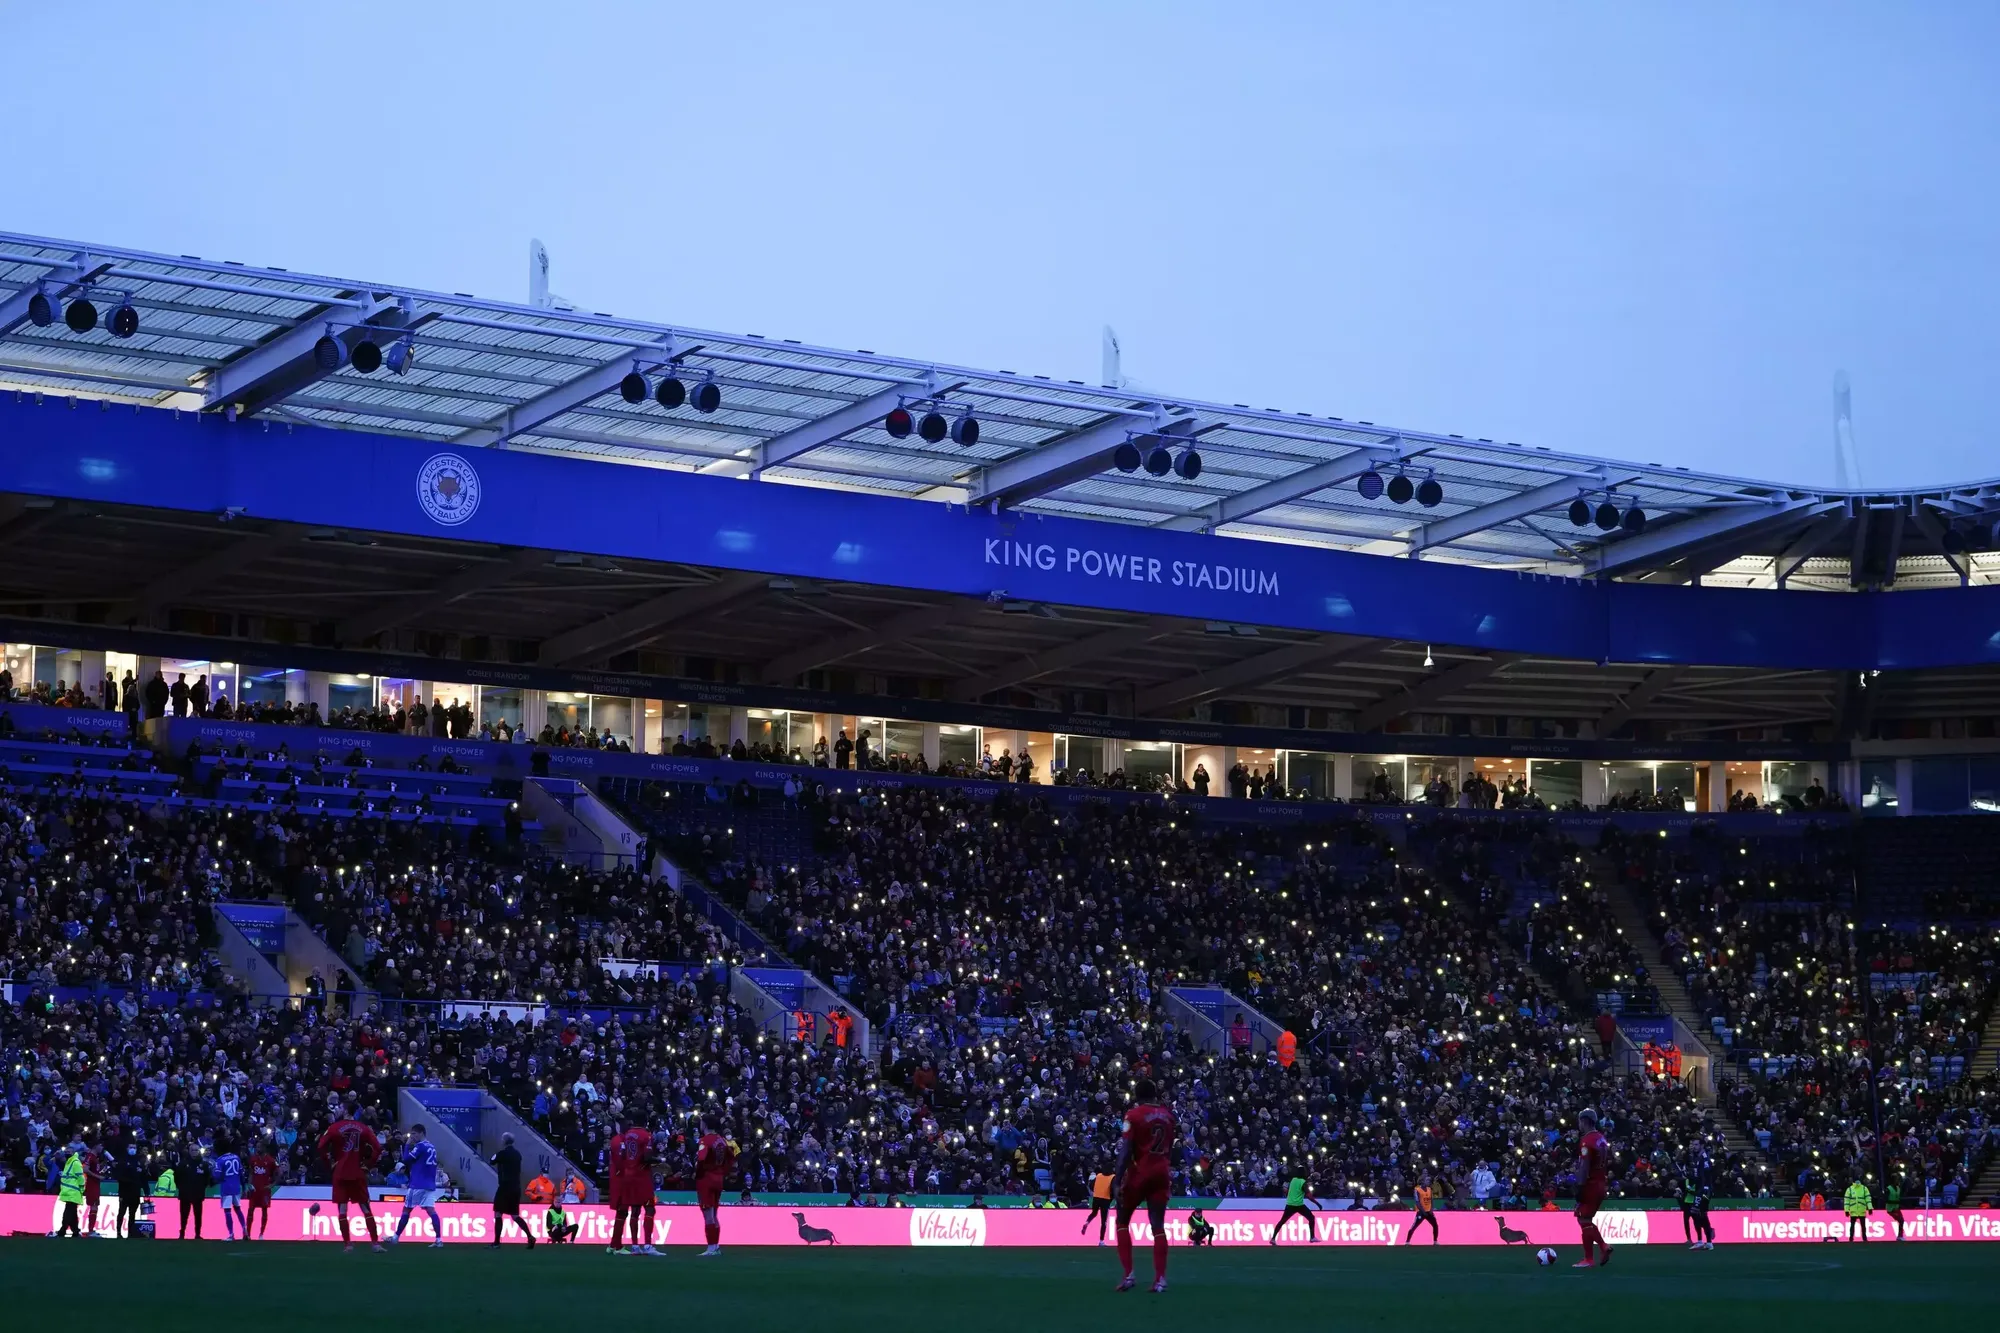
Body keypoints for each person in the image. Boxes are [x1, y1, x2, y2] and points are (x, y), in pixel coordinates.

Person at [1112, 1077, 1175, 1294]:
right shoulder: (1169, 1116)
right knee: (1157, 1225)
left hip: (1140, 1173)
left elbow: (1126, 1149)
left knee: (1122, 1220)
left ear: (1137, 1096)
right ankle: (1160, 1280)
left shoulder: (1134, 1115)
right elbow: (1170, 1148)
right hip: (1162, 1173)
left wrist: (1117, 1179)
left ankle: (1129, 1274)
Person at [316, 1103, 384, 1252]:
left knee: (342, 1209)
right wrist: (368, 1164)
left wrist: (330, 1164)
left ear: (345, 1110)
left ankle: (347, 1244)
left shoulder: (334, 1127)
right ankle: (375, 1244)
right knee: (365, 1207)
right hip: (357, 1171)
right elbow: (378, 1148)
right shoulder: (364, 1128)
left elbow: (321, 1146)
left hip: (340, 1172)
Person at [606, 1118, 658, 1255]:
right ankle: (618, 1246)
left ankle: (615, 1245)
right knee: (630, 1211)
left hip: (623, 1178)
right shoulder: (621, 1141)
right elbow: (621, 1162)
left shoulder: (621, 1140)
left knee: (627, 1211)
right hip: (625, 1179)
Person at [390, 1125, 445, 1248]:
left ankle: (395, 1237)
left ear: (421, 1133)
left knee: (406, 1210)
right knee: (431, 1211)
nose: (413, 1137)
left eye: (414, 1134)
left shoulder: (420, 1146)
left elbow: (406, 1159)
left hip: (417, 1184)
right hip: (429, 1184)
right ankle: (438, 1240)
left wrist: (407, 1145)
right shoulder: (432, 1146)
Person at [1571, 1107, 1612, 1269]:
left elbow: (1585, 1165)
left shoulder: (1586, 1140)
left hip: (1590, 1184)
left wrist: (1580, 1186)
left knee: (1584, 1219)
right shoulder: (1601, 1138)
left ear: (1584, 1121)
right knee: (1585, 1219)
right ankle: (1602, 1247)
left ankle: (1590, 1257)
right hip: (1601, 1183)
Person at [694, 1115, 737, 1257]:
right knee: (714, 1213)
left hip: (706, 1179)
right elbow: (732, 1157)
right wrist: (723, 1172)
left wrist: (697, 1173)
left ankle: (711, 1247)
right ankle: (716, 1246)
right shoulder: (722, 1140)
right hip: (718, 1179)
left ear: (705, 1124)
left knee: (708, 1215)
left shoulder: (704, 1140)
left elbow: (701, 1159)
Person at [489, 1133, 536, 1247]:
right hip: (516, 1187)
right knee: (515, 1215)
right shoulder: (517, 1154)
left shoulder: (502, 1154)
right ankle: (530, 1236)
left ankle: (496, 1242)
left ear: (504, 1141)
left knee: (498, 1213)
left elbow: (492, 1160)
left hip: (505, 1187)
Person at [1270, 1171, 1321, 1244]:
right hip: (1299, 1205)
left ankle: (1273, 1238)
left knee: (1282, 1221)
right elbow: (1309, 1196)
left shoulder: (1293, 1180)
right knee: (1311, 1218)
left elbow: (1286, 1190)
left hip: (1290, 1204)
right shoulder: (1303, 1182)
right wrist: (1318, 1204)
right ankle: (1312, 1237)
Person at [245, 1140, 279, 1240]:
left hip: (264, 1190)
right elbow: (251, 1173)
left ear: (264, 1148)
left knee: (264, 1210)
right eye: (257, 1147)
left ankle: (261, 1234)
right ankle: (248, 1234)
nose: (257, 1149)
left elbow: (279, 1173)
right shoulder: (253, 1159)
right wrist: (249, 1184)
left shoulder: (270, 1160)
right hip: (254, 1189)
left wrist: (272, 1185)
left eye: (260, 1147)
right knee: (250, 1210)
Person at [175, 1150, 212, 1240]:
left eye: (196, 1150)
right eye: (192, 1150)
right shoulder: (183, 1163)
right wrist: (181, 1188)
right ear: (189, 1151)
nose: (194, 1152)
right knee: (184, 1215)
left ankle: (198, 1234)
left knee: (198, 1215)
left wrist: (202, 1187)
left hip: (198, 1194)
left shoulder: (204, 1164)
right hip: (185, 1194)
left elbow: (207, 1178)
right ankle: (182, 1233)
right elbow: (176, 1177)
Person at [112, 1146, 148, 1239]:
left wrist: (146, 1191)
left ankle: (130, 1233)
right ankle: (119, 1232)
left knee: (132, 1214)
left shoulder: (139, 1161)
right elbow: (119, 1177)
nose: (133, 1149)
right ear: (127, 1149)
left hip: (135, 1192)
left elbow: (144, 1177)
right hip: (124, 1192)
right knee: (122, 1212)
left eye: (134, 1147)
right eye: (131, 1147)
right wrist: (131, 1181)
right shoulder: (123, 1161)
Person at [214, 1143, 247, 1241]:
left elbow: (217, 1176)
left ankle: (231, 1234)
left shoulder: (220, 1160)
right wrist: (244, 1187)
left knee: (227, 1211)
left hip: (226, 1188)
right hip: (236, 1187)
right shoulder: (236, 1157)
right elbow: (241, 1173)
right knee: (238, 1209)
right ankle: (244, 1228)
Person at [54, 1141, 87, 1238]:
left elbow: (81, 1178)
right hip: (70, 1191)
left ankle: (62, 1231)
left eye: (69, 1151)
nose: (67, 1152)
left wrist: (81, 1189)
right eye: (66, 1151)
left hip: (73, 1192)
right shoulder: (69, 1162)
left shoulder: (75, 1162)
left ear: (73, 1152)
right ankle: (75, 1231)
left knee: (68, 1212)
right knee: (72, 1212)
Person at [1081, 1169, 1114, 1245]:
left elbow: (1091, 1185)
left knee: (1094, 1213)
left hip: (1096, 1198)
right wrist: (1111, 1198)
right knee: (1104, 1222)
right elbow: (1113, 1189)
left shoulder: (1098, 1175)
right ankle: (1101, 1241)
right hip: (1105, 1200)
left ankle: (1087, 1222)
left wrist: (1096, 1192)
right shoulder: (1112, 1177)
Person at [1681, 1177, 1715, 1251]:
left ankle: (1708, 1240)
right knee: (1698, 1222)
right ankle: (1704, 1242)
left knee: (1703, 1222)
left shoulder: (1705, 1181)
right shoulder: (1698, 1181)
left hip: (1701, 1203)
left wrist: (1700, 1199)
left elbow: (1706, 1196)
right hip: (1698, 1201)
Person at [1408, 1178, 1439, 1245]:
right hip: (1421, 1212)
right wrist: (1422, 1211)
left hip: (1429, 1211)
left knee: (1435, 1225)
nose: (1429, 1182)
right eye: (1427, 1180)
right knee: (1414, 1226)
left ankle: (1435, 1241)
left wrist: (1431, 1209)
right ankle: (1407, 1242)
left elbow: (1431, 1200)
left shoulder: (1429, 1189)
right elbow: (1417, 1202)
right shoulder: (1417, 1190)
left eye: (1429, 1181)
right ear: (1422, 1181)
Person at [1844, 1177, 1872, 1243]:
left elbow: (1868, 1199)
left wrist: (1870, 1208)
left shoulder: (1864, 1188)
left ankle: (1864, 1238)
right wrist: (1846, 1210)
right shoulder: (1850, 1189)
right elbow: (1846, 1200)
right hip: (1853, 1210)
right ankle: (1851, 1238)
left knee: (1863, 1226)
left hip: (1861, 1210)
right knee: (1852, 1226)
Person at [1885, 1177, 1905, 1241]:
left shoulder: (1898, 1188)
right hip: (1890, 1209)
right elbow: (1885, 1200)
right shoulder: (1888, 1189)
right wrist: (1896, 1202)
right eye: (1897, 1180)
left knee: (1901, 1220)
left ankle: (1900, 1236)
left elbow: (1898, 1197)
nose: (1898, 1181)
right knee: (1900, 1220)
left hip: (1897, 1208)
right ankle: (1900, 1236)